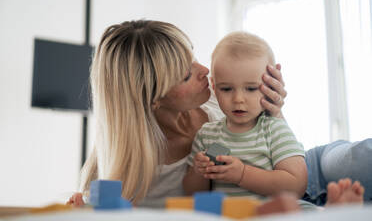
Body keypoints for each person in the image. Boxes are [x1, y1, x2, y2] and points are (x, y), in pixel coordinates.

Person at [67, 20, 366, 212]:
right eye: (186, 74)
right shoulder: (132, 170)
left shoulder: (216, 96)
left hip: (290, 167)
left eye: (194, 56)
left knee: (360, 158)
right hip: (246, 201)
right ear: (154, 100)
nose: (205, 72)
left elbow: (281, 146)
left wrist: (274, 108)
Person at [183, 31, 307, 200]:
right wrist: (199, 172)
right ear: (214, 85)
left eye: (251, 89)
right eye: (226, 89)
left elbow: (297, 185)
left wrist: (243, 174)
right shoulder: (206, 135)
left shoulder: (274, 129)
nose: (238, 99)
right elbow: (192, 195)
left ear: (270, 85)